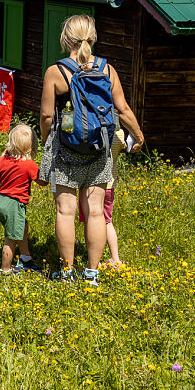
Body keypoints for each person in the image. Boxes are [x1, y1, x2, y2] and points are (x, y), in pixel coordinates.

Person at [40, 15, 144, 285]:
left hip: (66, 150)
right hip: (99, 149)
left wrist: (46, 141)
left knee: (65, 211)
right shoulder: (107, 70)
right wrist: (138, 135)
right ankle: (93, 273)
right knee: (96, 212)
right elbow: (122, 109)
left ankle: (66, 272)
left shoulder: (56, 72)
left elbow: (47, 117)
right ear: (92, 38)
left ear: (66, 39)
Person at [0, 124, 46, 275]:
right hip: (14, 204)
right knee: (10, 239)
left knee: (23, 227)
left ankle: (25, 258)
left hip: (1, 201)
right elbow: (42, 182)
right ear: (32, 146)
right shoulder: (29, 165)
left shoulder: (3, 160)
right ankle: (6, 271)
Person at [83, 127, 128, 267]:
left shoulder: (95, 132)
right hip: (110, 185)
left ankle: (94, 257)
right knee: (107, 221)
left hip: (94, 185)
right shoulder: (119, 135)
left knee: (91, 221)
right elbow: (125, 146)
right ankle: (115, 257)